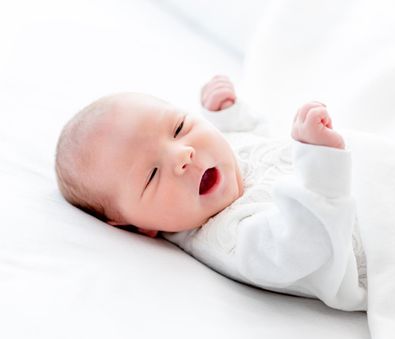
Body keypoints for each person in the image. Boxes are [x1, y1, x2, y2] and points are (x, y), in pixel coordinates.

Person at [55, 75, 368, 311]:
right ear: (138, 227)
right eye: (152, 175)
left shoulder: (222, 155)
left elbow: (252, 137)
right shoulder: (229, 239)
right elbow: (300, 247)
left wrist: (228, 114)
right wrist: (320, 162)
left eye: (179, 127)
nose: (182, 154)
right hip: (385, 245)